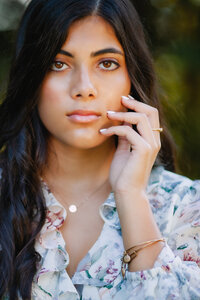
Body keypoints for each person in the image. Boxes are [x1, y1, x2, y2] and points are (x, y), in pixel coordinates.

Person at [0, 0, 199, 299]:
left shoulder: (186, 208)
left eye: (106, 63)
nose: (84, 87)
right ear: (32, 76)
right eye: (59, 63)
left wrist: (131, 196)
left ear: (132, 78)